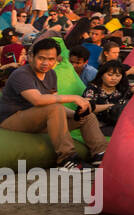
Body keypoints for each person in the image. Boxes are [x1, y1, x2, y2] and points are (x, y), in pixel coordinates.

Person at [0, 37, 107, 169]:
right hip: (13, 119)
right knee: (54, 108)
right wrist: (74, 98)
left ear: (56, 60)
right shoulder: (21, 74)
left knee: (86, 115)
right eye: (41, 58)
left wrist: (75, 114)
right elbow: (37, 100)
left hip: (40, 120)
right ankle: (67, 157)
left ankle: (100, 154)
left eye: (51, 59)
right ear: (31, 56)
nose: (46, 63)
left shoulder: (51, 74)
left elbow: (55, 102)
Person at [84, 59, 131, 138]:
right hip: (99, 125)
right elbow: (87, 107)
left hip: (120, 124)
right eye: (110, 75)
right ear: (101, 75)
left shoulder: (123, 89)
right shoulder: (92, 89)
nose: (114, 78)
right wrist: (111, 106)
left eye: (118, 76)